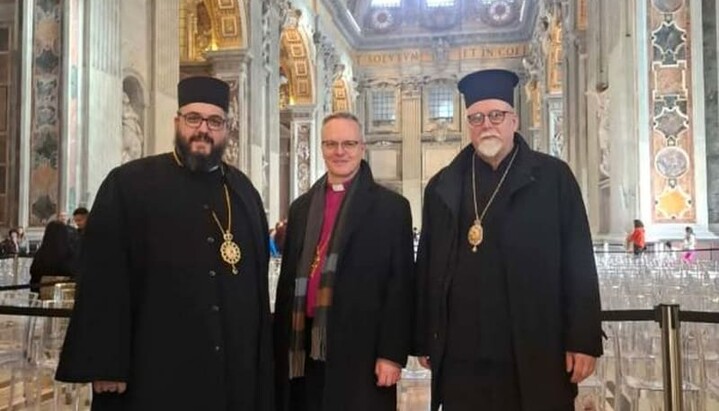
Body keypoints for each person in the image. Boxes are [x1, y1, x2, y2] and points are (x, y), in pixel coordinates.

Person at [56, 76, 275, 411]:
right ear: (177, 122)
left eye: (214, 121)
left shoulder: (244, 192)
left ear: (227, 129)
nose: (203, 129)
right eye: (193, 118)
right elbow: (102, 277)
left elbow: (257, 286)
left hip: (233, 371)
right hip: (155, 366)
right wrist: (106, 363)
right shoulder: (129, 184)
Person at [414, 69, 603, 411]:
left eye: (496, 116)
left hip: (535, 344)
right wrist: (426, 337)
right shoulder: (443, 185)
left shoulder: (553, 178)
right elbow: (427, 265)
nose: (486, 125)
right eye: (476, 118)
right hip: (461, 355)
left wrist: (583, 338)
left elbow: (579, 262)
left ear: (514, 120)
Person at [273, 112, 414, 411]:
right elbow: (287, 284)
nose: (340, 152)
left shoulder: (391, 208)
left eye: (348, 144)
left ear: (362, 147)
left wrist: (391, 354)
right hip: (305, 347)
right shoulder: (301, 208)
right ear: (321, 148)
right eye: (331, 144)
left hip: (363, 350)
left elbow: (400, 286)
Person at [29, 220, 79, 298]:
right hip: (66, 297)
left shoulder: (40, 254)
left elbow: (34, 274)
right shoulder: (71, 253)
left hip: (43, 296)